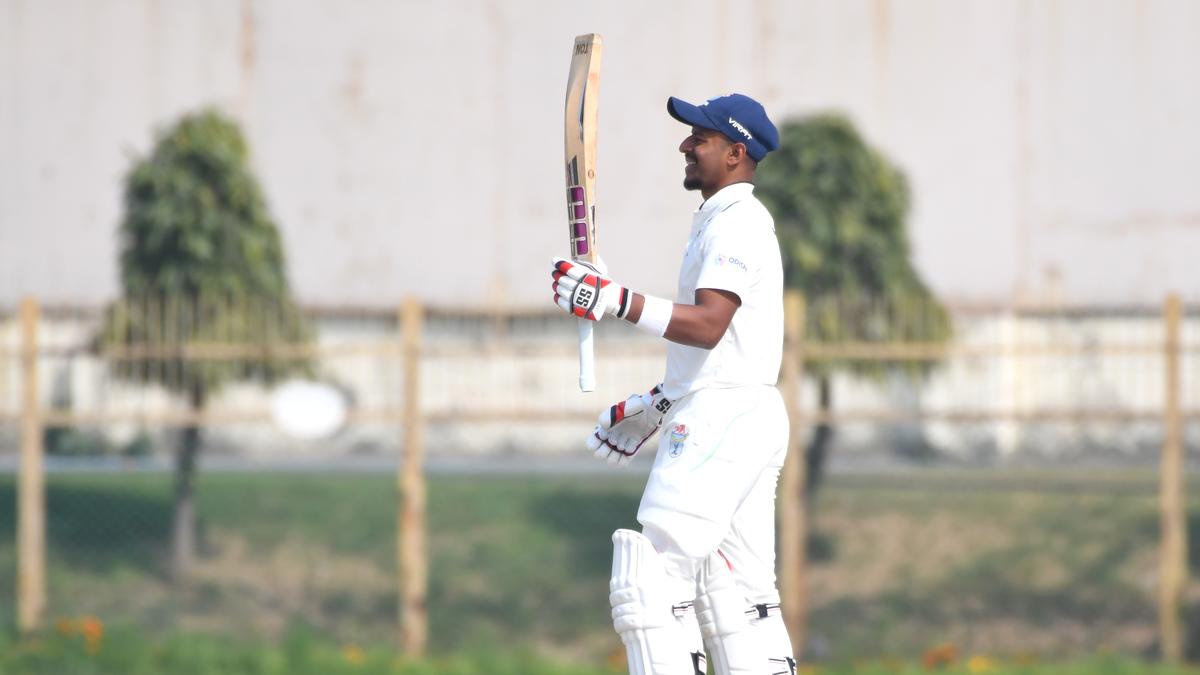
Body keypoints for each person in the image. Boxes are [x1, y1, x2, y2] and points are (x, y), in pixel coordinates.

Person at [550, 93, 795, 675]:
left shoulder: (736, 225)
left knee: (652, 580)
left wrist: (616, 301)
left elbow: (709, 326)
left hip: (724, 416)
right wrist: (660, 401)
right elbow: (725, 349)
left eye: (700, 139)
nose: (685, 145)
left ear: (737, 153)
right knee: (738, 598)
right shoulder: (727, 221)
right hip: (744, 410)